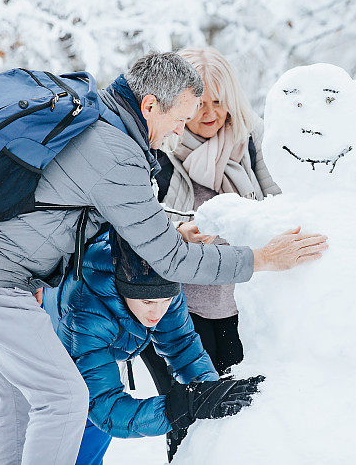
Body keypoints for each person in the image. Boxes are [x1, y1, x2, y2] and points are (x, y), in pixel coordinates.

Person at [0, 51, 327, 465]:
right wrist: (262, 259)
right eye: (178, 119)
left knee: (11, 402)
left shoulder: (96, 115)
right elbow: (169, 261)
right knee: (63, 399)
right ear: (150, 105)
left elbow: (97, 209)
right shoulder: (116, 152)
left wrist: (166, 233)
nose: (177, 131)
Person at [140, 47, 281, 460]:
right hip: (175, 315)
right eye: (199, 103)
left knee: (240, 421)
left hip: (241, 312)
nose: (210, 113)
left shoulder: (249, 146)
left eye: (219, 101)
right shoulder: (157, 152)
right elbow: (140, 231)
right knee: (188, 420)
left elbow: (279, 205)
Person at [42, 228, 263, 465]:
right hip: (47, 354)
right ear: (123, 289)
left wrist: (207, 392)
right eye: (147, 302)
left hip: (94, 345)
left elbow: (183, 346)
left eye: (166, 301)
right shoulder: (85, 316)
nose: (157, 312)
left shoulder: (161, 287)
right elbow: (108, 411)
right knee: (81, 435)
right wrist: (180, 407)